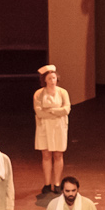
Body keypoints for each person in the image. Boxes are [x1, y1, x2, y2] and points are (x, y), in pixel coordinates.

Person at [33, 65, 71, 202]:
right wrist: (55, 112)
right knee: (46, 154)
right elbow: (39, 112)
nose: (52, 81)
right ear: (45, 80)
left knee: (58, 154)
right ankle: (47, 183)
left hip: (59, 127)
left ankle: (57, 183)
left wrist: (51, 110)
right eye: (49, 78)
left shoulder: (63, 92)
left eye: (54, 78)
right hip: (44, 127)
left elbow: (66, 109)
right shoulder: (38, 94)